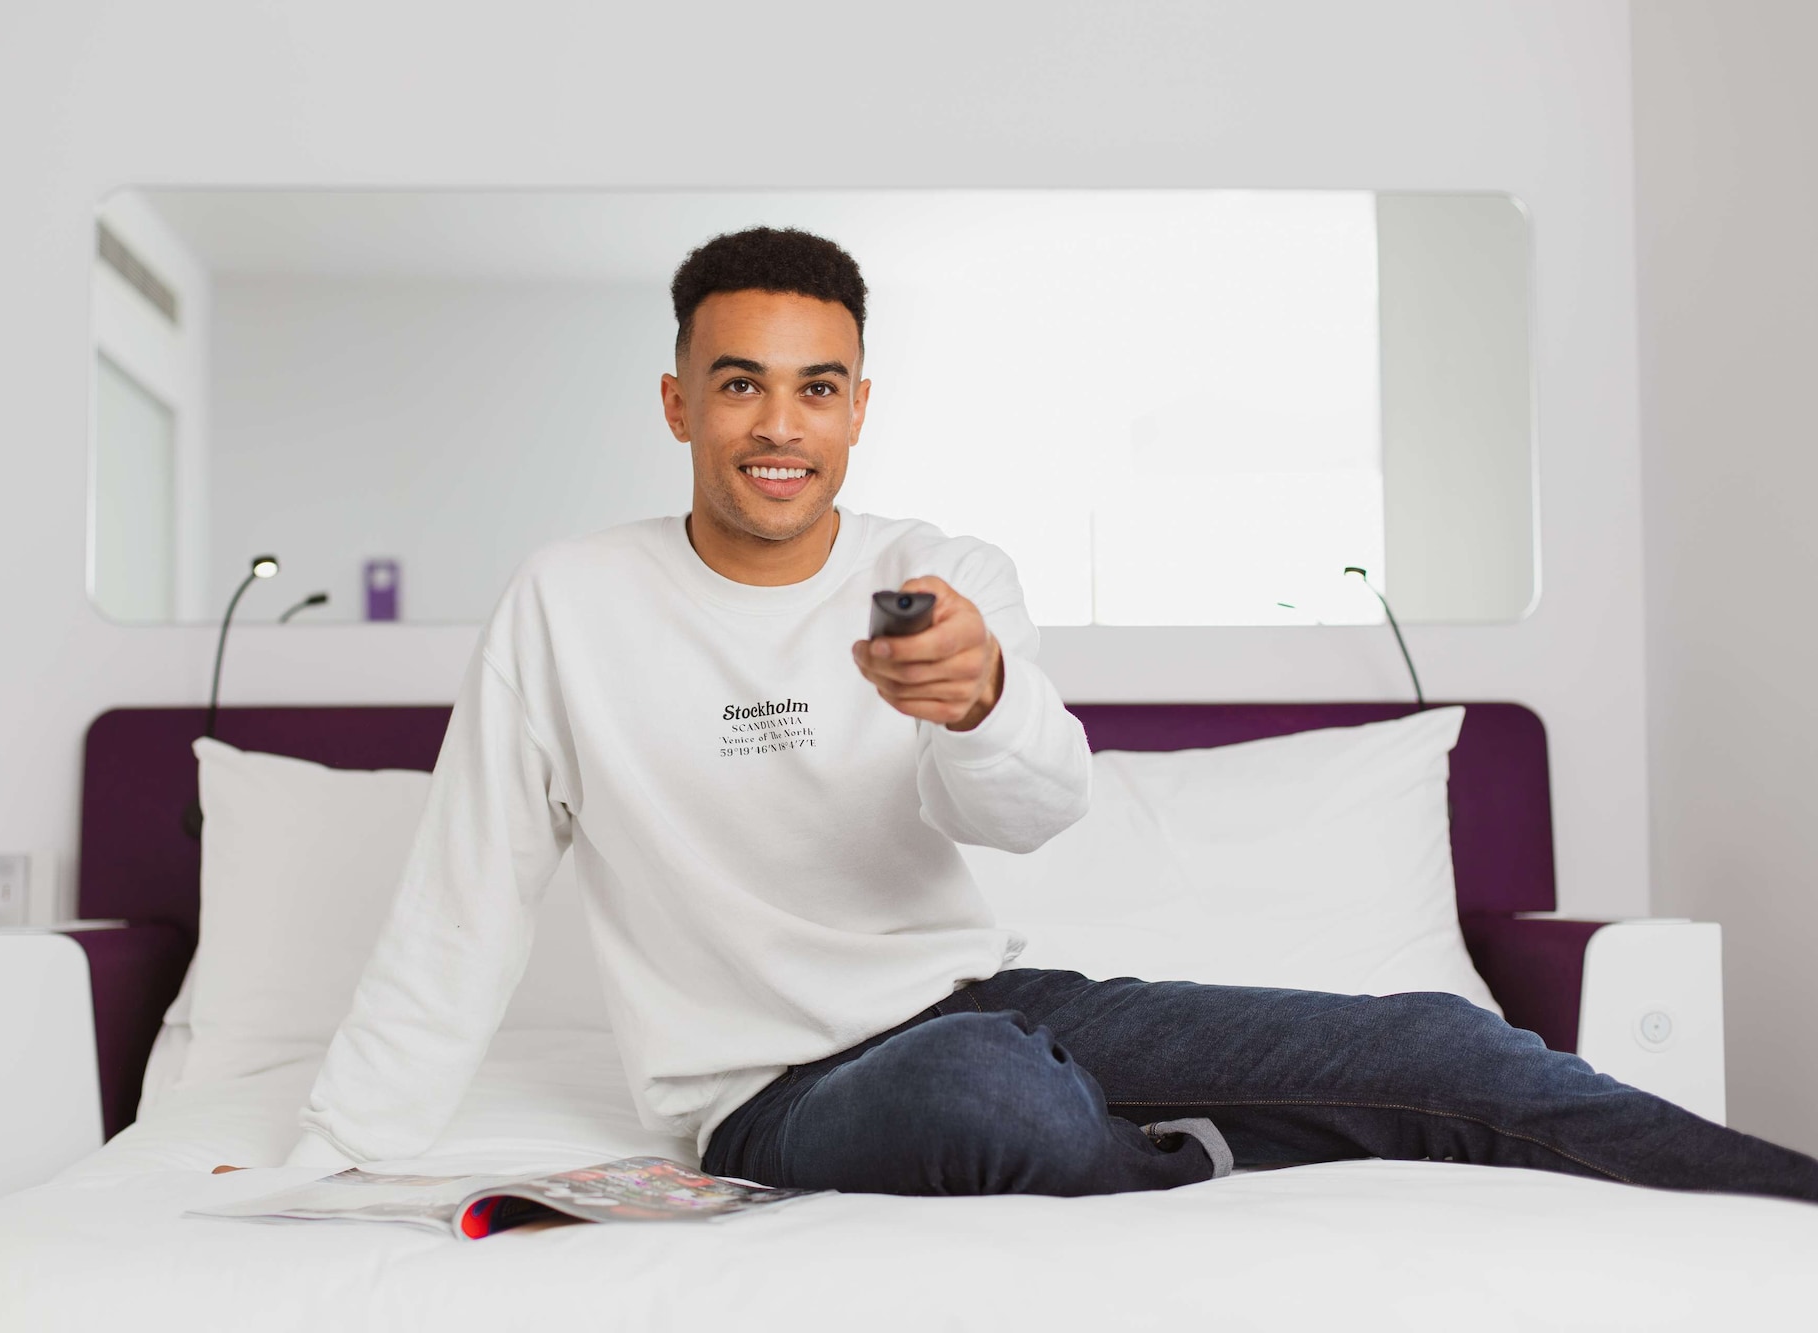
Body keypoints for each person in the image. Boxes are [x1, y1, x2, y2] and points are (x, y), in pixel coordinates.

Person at [286, 226, 1818, 1204]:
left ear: (859, 405)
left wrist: (982, 703)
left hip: (991, 997)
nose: (779, 424)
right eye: (741, 383)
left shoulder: (939, 572)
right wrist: (337, 1145)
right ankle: (1179, 1158)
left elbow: (1032, 807)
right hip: (760, 1095)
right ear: (680, 399)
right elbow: (466, 893)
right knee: (990, 1093)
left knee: (1433, 1035)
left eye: (818, 387)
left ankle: (1781, 1199)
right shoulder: (569, 601)